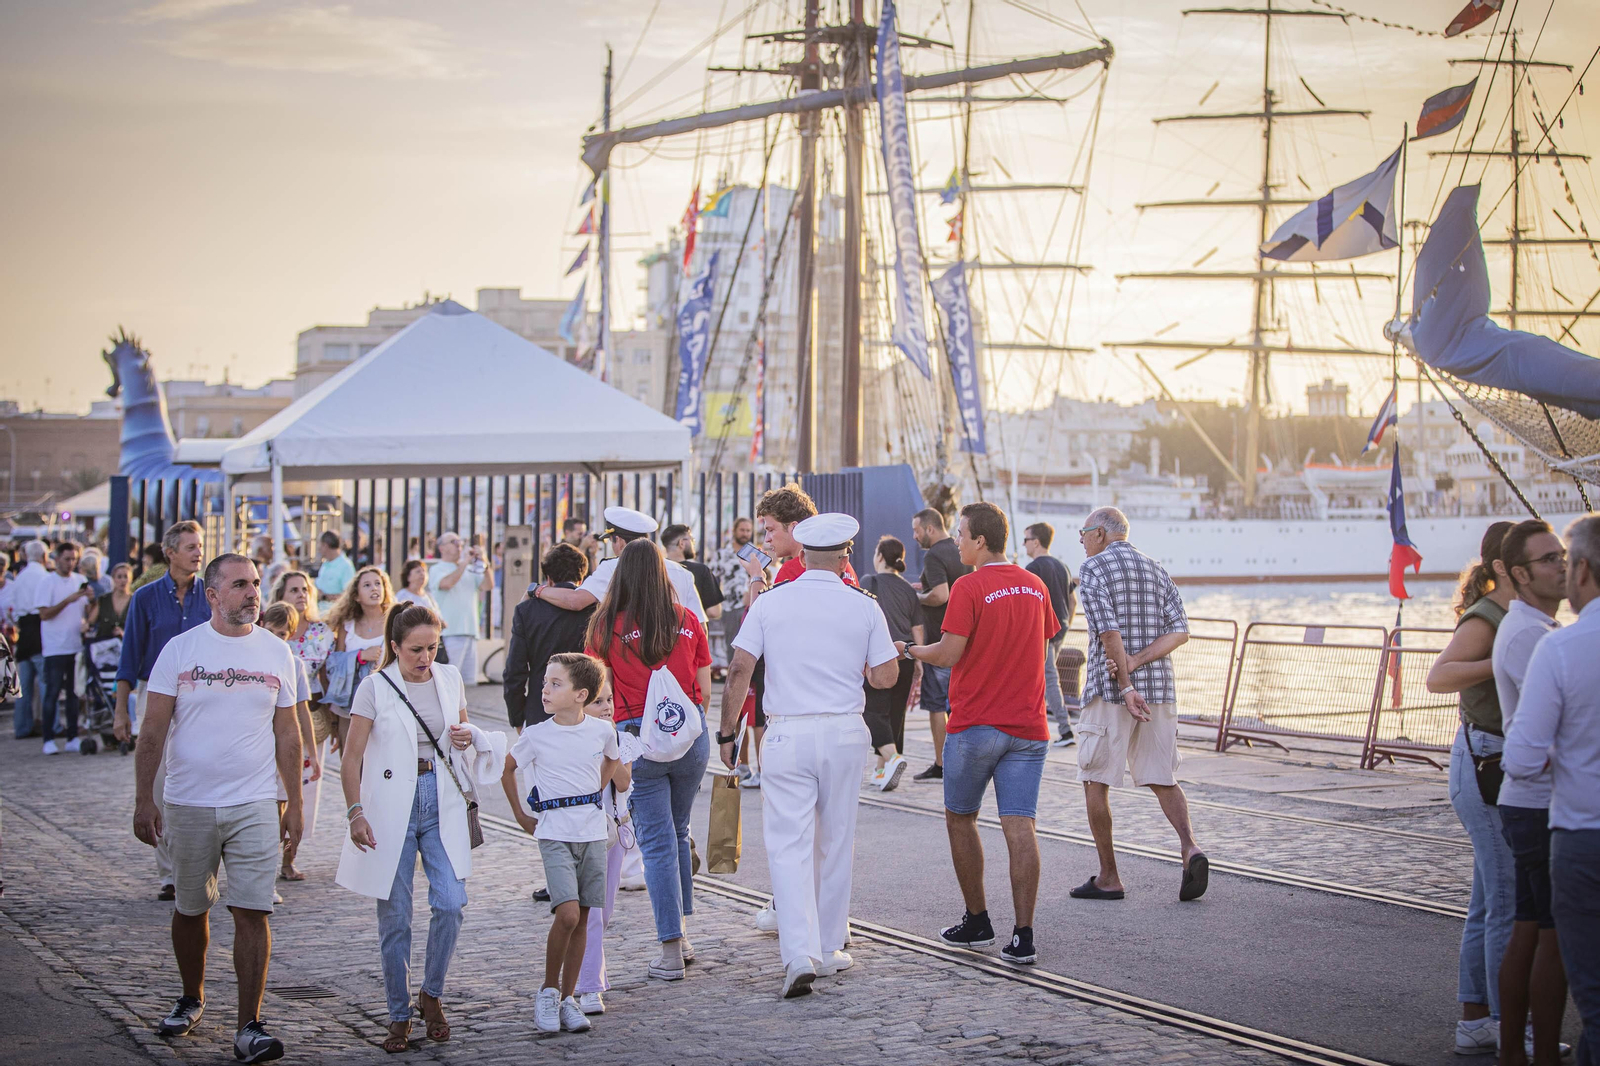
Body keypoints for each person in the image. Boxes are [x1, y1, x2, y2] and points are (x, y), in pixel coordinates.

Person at [131, 554, 302, 1064]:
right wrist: (145, 798)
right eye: (239, 585)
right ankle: (192, 996)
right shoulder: (180, 651)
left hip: (253, 800)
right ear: (212, 594)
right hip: (189, 801)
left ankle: (249, 1024)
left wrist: (290, 803)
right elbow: (153, 731)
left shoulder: (277, 653)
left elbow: (288, 733)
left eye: (255, 584)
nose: (252, 593)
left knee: (253, 909)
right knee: (190, 908)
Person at [721, 513, 899, 997]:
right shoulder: (864, 606)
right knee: (836, 839)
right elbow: (884, 678)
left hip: (786, 733)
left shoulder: (772, 602)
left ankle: (799, 951)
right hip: (843, 731)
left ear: (801, 554)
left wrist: (726, 733)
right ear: (846, 556)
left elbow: (740, 669)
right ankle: (830, 943)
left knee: (788, 842)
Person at [900, 504, 1057, 965]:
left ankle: (977, 920)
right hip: (1029, 728)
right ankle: (1023, 936)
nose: (958, 542)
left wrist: (910, 650)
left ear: (980, 541)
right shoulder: (1035, 584)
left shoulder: (968, 587)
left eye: (962, 535)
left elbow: (948, 654)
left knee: (961, 819)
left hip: (975, 726)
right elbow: (1044, 643)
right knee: (1020, 826)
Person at [339, 601, 488, 1054]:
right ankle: (399, 1013)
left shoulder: (449, 677)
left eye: (433, 647)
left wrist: (466, 735)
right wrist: (355, 812)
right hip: (390, 806)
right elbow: (351, 758)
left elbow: (460, 735)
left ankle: (432, 992)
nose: (426, 657)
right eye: (416, 649)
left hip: (440, 798)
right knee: (396, 916)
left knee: (451, 901)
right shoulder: (375, 687)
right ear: (394, 647)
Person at [584, 539, 712, 981]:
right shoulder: (688, 619)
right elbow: (705, 693)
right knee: (679, 831)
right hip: (690, 736)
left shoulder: (604, 627)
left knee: (655, 841)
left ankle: (671, 950)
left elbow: (598, 697)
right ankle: (685, 933)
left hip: (637, 739)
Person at [1071, 506, 1205, 903]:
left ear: (1099, 534)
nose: (1080, 540)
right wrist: (1140, 661)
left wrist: (1126, 681)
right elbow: (1180, 631)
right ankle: (1190, 848)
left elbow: (1108, 630)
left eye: (1083, 532)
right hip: (1160, 691)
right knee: (1162, 775)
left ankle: (1109, 876)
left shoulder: (1093, 569)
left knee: (1095, 778)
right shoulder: (1156, 568)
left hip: (1113, 693)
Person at [1504, 514, 1600, 1066]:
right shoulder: (1536, 635)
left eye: (1566, 561)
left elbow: (1520, 759)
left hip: (1583, 837)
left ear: (1582, 571)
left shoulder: (1560, 649)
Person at [1427, 521, 1517, 1057]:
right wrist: (1501, 661)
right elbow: (1439, 677)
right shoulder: (1489, 617)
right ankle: (1509, 1023)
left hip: (1495, 762)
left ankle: (1476, 1019)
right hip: (1483, 764)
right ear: (1509, 567)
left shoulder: (1516, 615)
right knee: (1506, 900)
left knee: (1489, 901)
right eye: (1546, 557)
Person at [502, 652, 623, 1034]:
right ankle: (547, 991)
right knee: (567, 914)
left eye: (555, 684)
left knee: (586, 917)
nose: (545, 690)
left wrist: (594, 791)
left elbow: (612, 761)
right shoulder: (537, 734)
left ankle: (570, 999)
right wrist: (522, 815)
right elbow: (508, 769)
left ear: (580, 694)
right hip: (554, 833)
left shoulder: (602, 731)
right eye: (545, 683)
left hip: (592, 833)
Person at [1491, 519, 1570, 1066]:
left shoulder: (1536, 630)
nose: (1561, 565)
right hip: (1538, 800)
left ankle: (1514, 1051)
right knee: (1551, 936)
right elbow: (1549, 730)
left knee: (1528, 926)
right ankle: (1539, 1052)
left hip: (1529, 798)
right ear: (1518, 574)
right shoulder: (1529, 636)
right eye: (1547, 560)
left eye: (1563, 555)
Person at [731, 485, 857, 794]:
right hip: (841, 712)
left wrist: (757, 577)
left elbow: (755, 629)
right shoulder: (842, 567)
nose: (767, 539)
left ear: (796, 529)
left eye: (771, 529)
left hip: (797, 716)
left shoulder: (793, 569)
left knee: (790, 830)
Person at [115, 521, 209, 899]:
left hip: (203, 696)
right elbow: (129, 656)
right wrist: (120, 710)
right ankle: (170, 874)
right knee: (158, 782)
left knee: (200, 777)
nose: (198, 552)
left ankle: (201, 865)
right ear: (169, 552)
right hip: (155, 695)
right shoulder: (145, 597)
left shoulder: (213, 594)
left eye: (200, 546)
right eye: (189, 546)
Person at [537, 508, 707, 626]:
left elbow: (575, 601)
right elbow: (699, 625)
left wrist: (537, 590)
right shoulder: (682, 572)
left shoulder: (612, 567)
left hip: (631, 663)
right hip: (674, 663)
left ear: (617, 540)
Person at [573, 677, 632, 1017]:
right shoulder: (569, 741)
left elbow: (623, 781)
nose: (608, 707)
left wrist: (609, 745)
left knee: (603, 913)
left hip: (614, 835)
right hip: (581, 835)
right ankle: (590, 986)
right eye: (599, 702)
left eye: (610, 700)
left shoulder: (622, 739)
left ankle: (586, 972)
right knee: (590, 914)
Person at [259, 603, 322, 883]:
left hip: (286, 746)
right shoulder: (252, 660)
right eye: (272, 631)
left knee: (291, 806)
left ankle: (287, 861)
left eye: (283, 634)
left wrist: (313, 752)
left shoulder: (293, 664)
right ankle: (263, 868)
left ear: (291, 636)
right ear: (262, 626)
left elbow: (302, 711)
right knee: (270, 811)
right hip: (261, 747)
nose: (276, 638)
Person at [504, 543, 593, 732]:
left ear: (549, 579)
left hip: (541, 708)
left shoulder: (526, 610)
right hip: (585, 708)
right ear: (581, 577)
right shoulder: (595, 609)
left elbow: (515, 670)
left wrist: (517, 717)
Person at [911, 507, 971, 782]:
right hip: (966, 638)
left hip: (940, 638)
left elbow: (940, 594)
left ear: (930, 529)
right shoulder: (961, 551)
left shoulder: (934, 554)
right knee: (959, 705)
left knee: (936, 705)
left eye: (917, 530)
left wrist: (917, 597)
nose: (915, 536)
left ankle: (941, 764)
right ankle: (964, 761)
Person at [860, 535, 923, 791]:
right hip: (906, 656)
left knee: (870, 711)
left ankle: (893, 758)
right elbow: (917, 627)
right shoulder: (909, 588)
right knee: (895, 716)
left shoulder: (869, 581)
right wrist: (918, 660)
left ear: (880, 557)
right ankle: (880, 771)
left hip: (879, 656)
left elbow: (861, 617)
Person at [325, 565, 395, 750]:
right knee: (351, 758)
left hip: (386, 702)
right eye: (367, 585)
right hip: (350, 704)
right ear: (356, 596)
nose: (374, 588)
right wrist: (360, 656)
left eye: (378, 584)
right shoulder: (347, 626)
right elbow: (333, 663)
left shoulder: (395, 622)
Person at [1023, 522, 1076, 747]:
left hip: (1043, 633)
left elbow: (1028, 604)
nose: (1024, 544)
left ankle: (1065, 731)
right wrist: (1066, 624)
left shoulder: (1033, 569)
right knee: (1043, 679)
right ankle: (1038, 724)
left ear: (1036, 542)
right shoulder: (1062, 566)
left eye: (1026, 539)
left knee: (1049, 679)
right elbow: (1072, 601)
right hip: (1060, 629)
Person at [35, 541, 90, 754]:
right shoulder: (47, 582)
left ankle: (72, 737)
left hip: (76, 646)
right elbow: (44, 614)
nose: (70, 563)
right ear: (56, 559)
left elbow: (88, 613)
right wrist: (68, 600)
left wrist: (92, 602)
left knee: (74, 694)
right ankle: (48, 739)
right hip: (54, 647)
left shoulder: (80, 580)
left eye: (74, 559)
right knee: (52, 693)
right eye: (67, 559)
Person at [428, 532, 493, 685]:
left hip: (470, 632)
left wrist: (484, 561)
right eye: (453, 542)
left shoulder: (470, 569)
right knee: (449, 682)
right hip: (450, 633)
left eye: (460, 541)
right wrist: (464, 563)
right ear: (442, 548)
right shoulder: (438, 568)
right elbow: (446, 584)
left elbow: (487, 585)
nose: (458, 545)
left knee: (469, 683)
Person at [10, 539, 49, 738]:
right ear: (44, 556)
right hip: (40, 631)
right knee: (45, 681)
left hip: (24, 632)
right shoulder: (44, 577)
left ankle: (22, 727)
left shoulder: (20, 578)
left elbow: (12, 611)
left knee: (23, 686)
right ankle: (48, 724)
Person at [709, 517, 756, 669]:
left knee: (751, 645)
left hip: (753, 604)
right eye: (742, 530)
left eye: (748, 530)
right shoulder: (723, 554)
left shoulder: (754, 554)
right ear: (734, 531)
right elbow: (711, 578)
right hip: (730, 606)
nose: (745, 533)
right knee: (733, 646)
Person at [662, 524, 725, 622]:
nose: (693, 543)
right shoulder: (701, 570)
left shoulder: (658, 569)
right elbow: (714, 611)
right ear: (681, 543)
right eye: (692, 539)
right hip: (692, 632)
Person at [86, 561, 134, 643]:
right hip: (104, 647)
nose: (123, 580)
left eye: (125, 577)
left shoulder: (135, 600)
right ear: (113, 579)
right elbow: (90, 622)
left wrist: (124, 634)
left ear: (130, 579)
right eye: (119, 577)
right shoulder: (103, 599)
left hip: (126, 646)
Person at [314, 531, 355, 603]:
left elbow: (349, 596)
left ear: (325, 545)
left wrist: (324, 597)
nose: (318, 548)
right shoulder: (325, 564)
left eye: (319, 544)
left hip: (335, 613)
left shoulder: (346, 566)